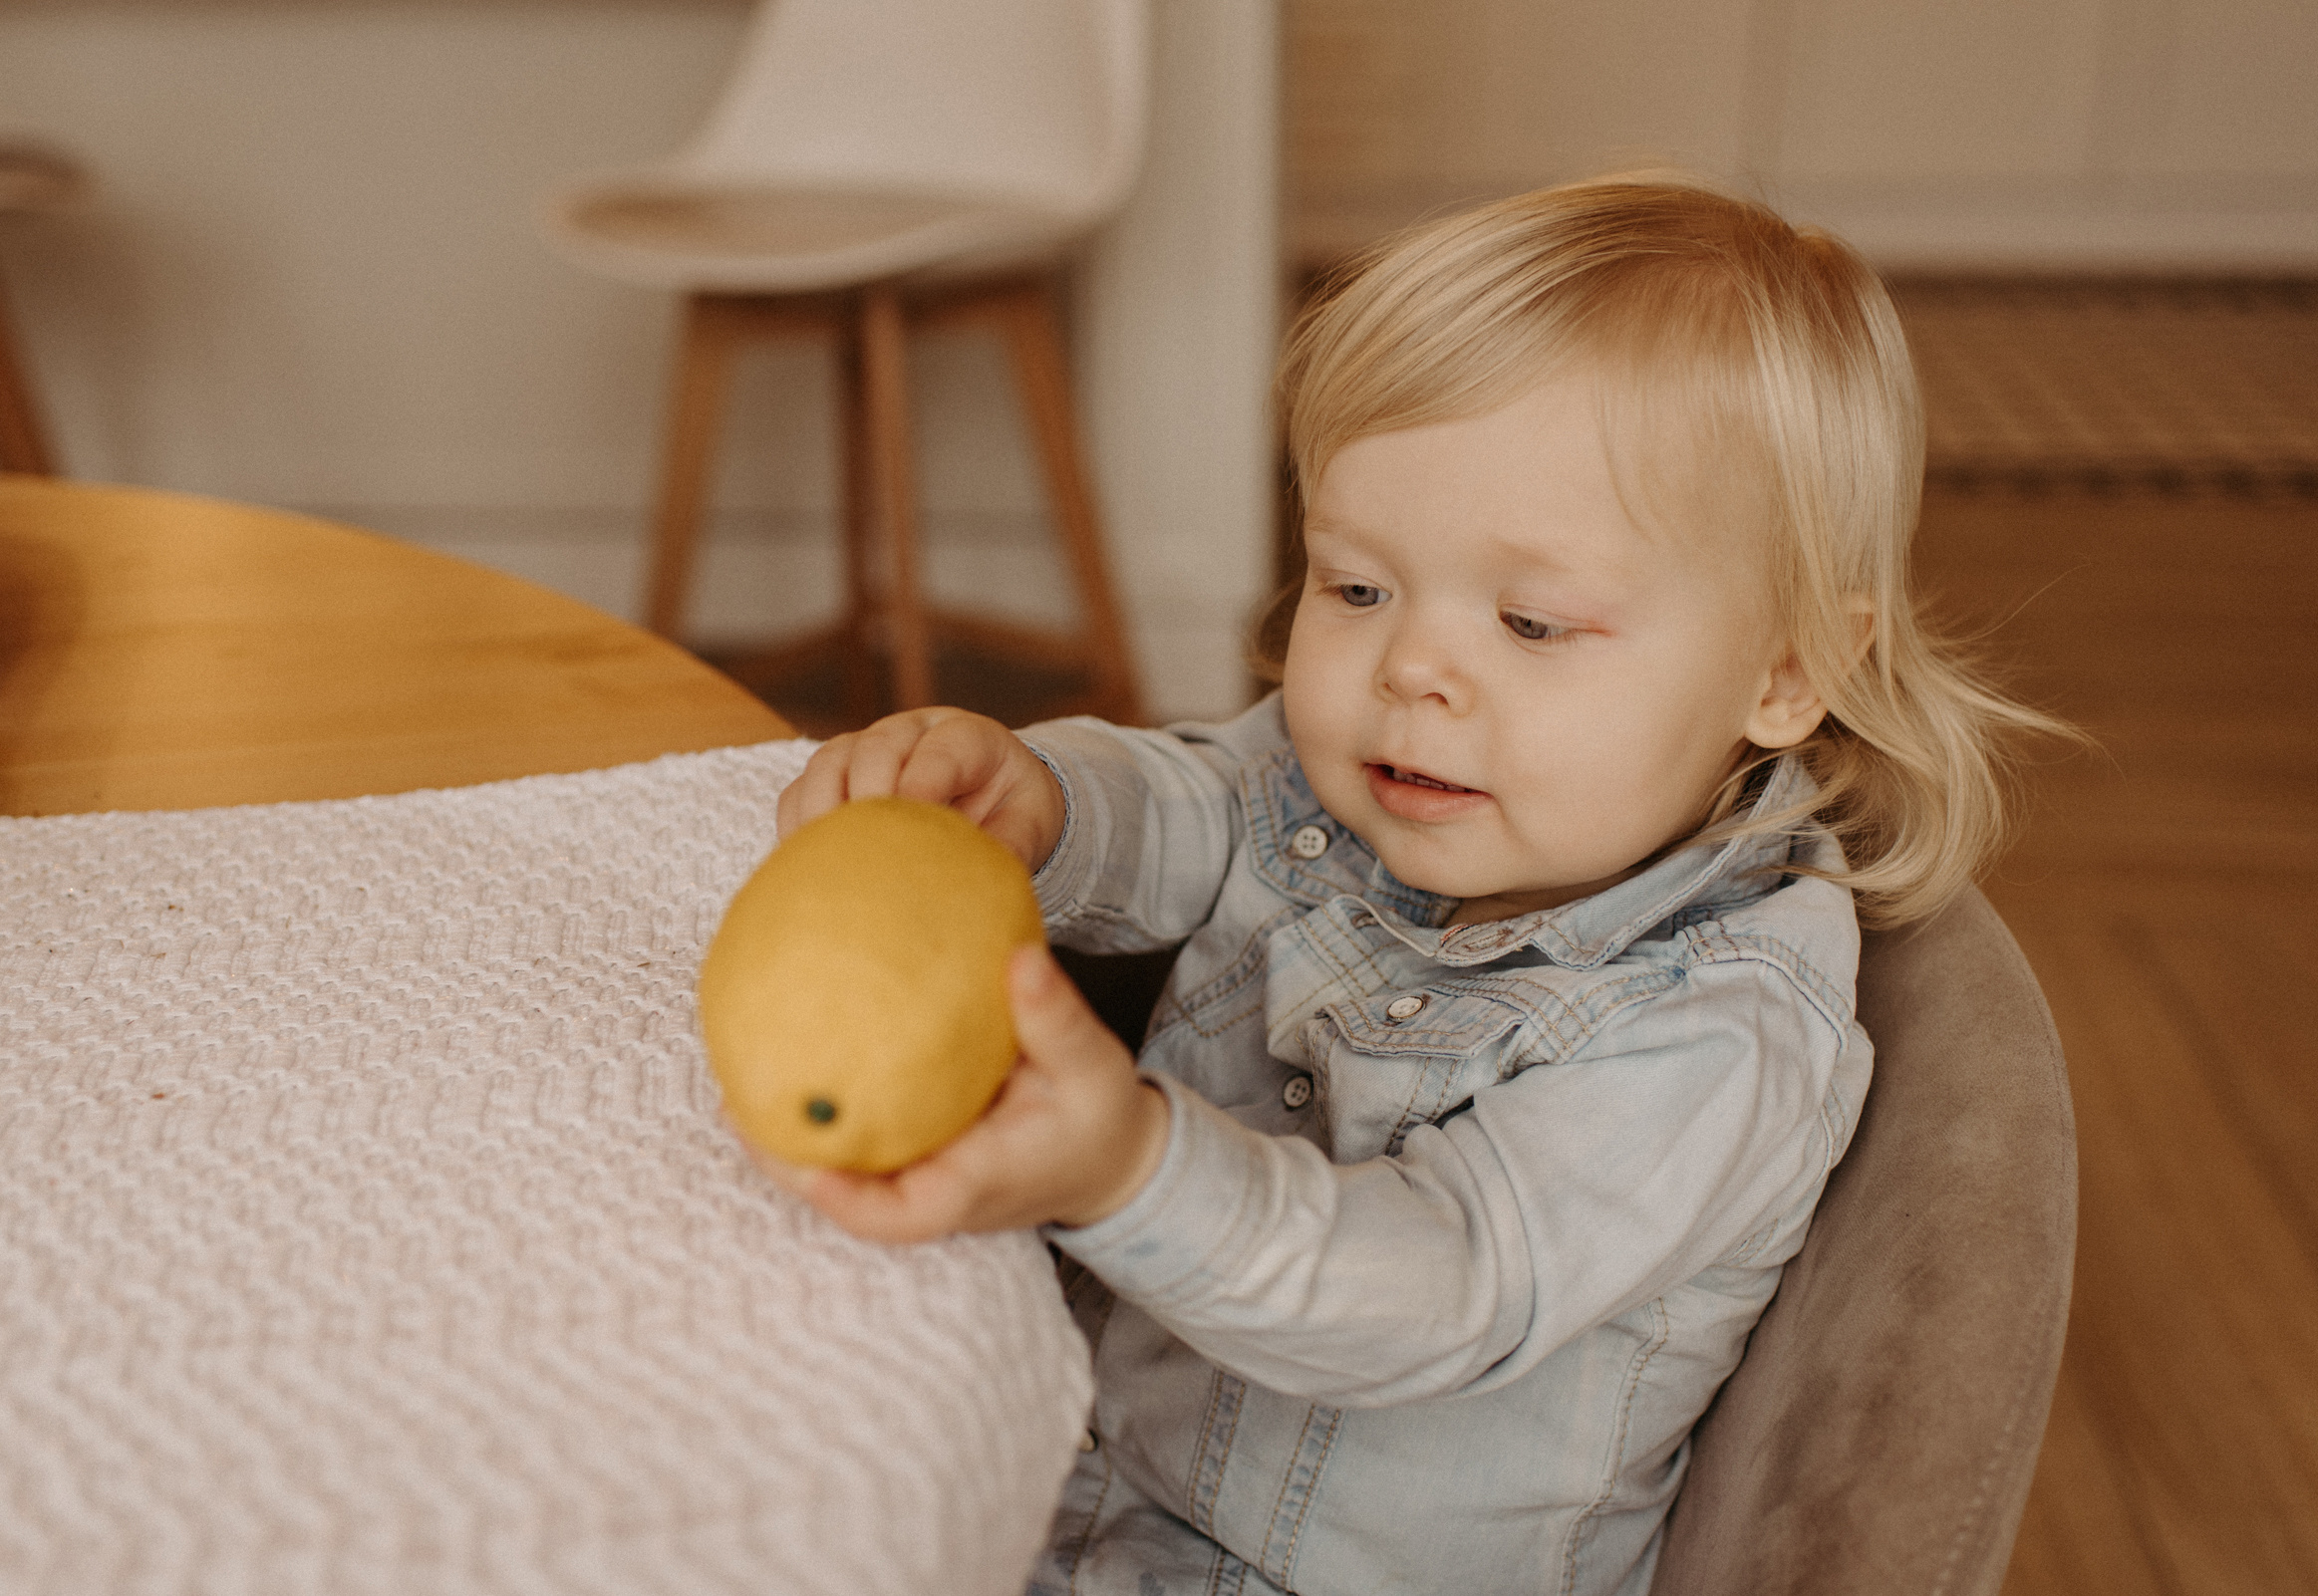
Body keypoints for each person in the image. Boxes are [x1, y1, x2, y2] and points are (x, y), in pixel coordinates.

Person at [756, 176, 2061, 1596]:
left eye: (1531, 620)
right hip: (1077, 1484)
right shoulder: (1378, 780)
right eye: (1357, 586)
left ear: (1789, 671)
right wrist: (1046, 799)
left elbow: (1439, 1285)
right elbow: (1199, 796)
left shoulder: (1719, 1022)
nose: (1410, 672)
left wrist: (1132, 1166)